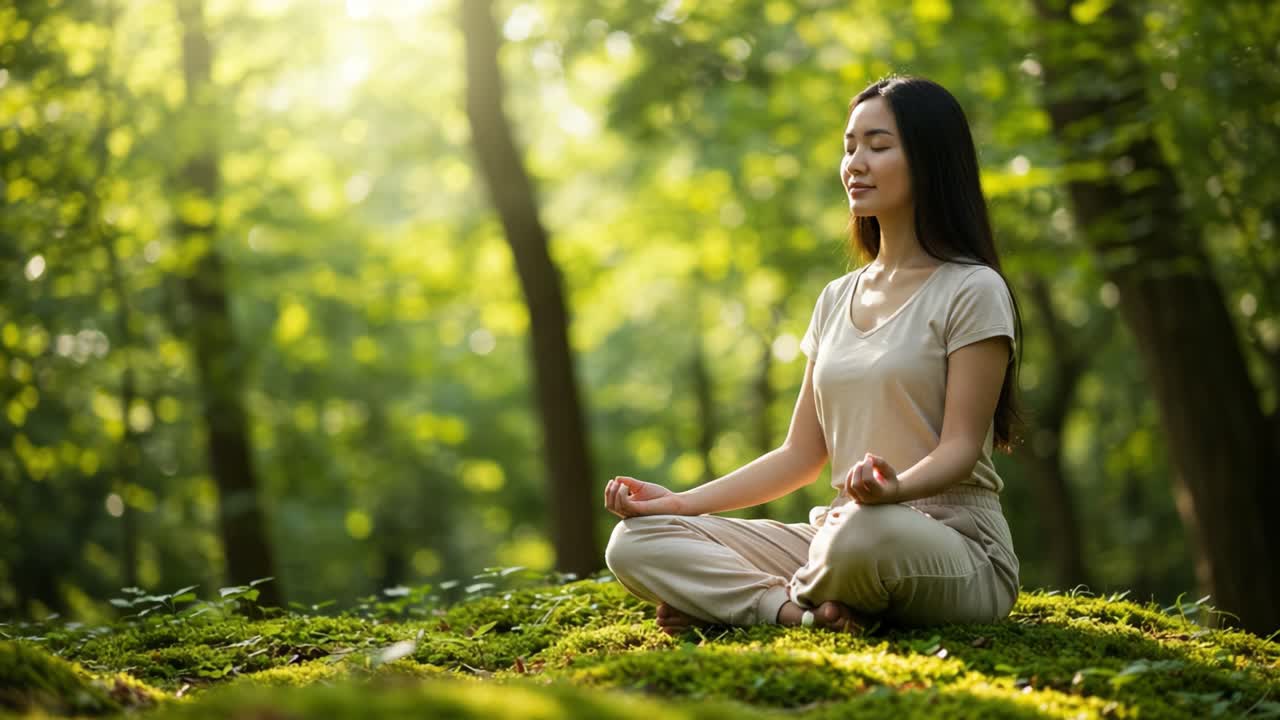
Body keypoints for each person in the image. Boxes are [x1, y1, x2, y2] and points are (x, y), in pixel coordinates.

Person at [603, 76, 1023, 635]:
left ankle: (737, 601)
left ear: (929, 159)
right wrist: (680, 503)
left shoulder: (972, 289)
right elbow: (799, 456)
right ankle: (793, 613)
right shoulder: (835, 298)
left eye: (878, 146)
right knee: (634, 541)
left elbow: (961, 448)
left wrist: (894, 492)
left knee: (861, 534)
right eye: (849, 147)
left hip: (951, 546)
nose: (855, 164)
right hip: (838, 538)